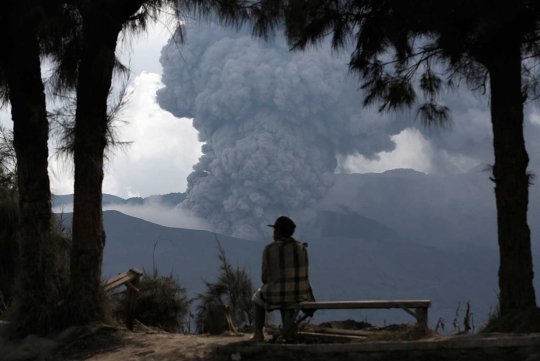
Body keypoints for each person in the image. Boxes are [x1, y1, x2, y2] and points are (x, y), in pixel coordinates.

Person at [250, 216, 315, 342]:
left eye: (275, 231)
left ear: (279, 231)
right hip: (300, 294)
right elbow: (305, 273)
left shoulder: (269, 249)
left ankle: (258, 334)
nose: (273, 234)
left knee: (257, 298)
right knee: (290, 297)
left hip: (277, 294)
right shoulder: (301, 248)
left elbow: (265, 277)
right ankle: (288, 333)